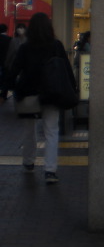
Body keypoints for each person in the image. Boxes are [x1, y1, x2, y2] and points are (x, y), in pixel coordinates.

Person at [8, 12, 75, 184]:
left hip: (29, 94)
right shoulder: (56, 46)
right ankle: (50, 171)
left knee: (29, 130)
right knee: (51, 131)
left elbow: (14, 70)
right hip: (52, 94)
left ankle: (28, 162)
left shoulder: (25, 47)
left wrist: (6, 91)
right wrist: (73, 88)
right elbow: (66, 69)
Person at [0, 23, 12, 102]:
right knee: (5, 79)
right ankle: (3, 95)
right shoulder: (9, 39)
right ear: (6, 30)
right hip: (5, 62)